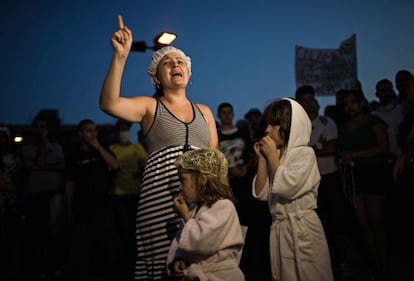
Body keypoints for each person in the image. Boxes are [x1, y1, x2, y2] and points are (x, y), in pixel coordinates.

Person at [99, 15, 218, 280]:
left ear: (188, 71)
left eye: (180, 61)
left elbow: (215, 163)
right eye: (167, 62)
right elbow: (109, 104)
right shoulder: (150, 106)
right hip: (159, 202)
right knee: (163, 265)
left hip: (202, 202)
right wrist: (120, 56)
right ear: (156, 78)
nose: (176, 64)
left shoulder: (206, 112)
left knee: (201, 265)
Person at [252, 98, 334, 281]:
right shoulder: (276, 156)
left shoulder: (305, 154)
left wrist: (272, 155)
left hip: (303, 228)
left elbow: (286, 187)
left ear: (290, 125)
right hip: (281, 229)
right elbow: (262, 193)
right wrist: (263, 160)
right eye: (267, 124)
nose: (267, 130)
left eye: (274, 124)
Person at [296, 93, 355, 279]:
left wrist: (310, 150)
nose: (308, 104)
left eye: (310, 100)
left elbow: (331, 148)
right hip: (307, 181)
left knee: (338, 221)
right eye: (303, 101)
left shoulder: (326, 122)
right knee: (315, 223)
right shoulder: (297, 127)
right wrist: (318, 148)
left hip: (329, 178)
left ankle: (343, 262)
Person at [166, 148, 245, 281]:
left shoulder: (224, 206)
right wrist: (179, 259)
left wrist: (186, 217)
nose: (180, 187)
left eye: (183, 180)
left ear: (202, 179)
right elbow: (182, 241)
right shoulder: (194, 209)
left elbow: (202, 242)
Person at [337, 89, 391, 279]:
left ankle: (385, 264)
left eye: (353, 102)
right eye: (345, 104)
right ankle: (375, 263)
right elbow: (340, 149)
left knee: (377, 221)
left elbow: (384, 147)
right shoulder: (343, 127)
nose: (349, 106)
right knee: (363, 222)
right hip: (353, 176)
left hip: (374, 172)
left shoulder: (373, 121)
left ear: (361, 103)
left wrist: (355, 155)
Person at [63, 119, 122, 281]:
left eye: (94, 130)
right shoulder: (74, 156)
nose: (93, 134)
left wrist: (98, 147)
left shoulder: (103, 150)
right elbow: (70, 183)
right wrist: (68, 208)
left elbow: (115, 166)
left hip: (104, 206)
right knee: (84, 248)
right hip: (82, 207)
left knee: (108, 245)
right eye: (89, 131)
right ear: (80, 134)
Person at [109, 119, 147, 280]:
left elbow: (145, 167)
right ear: (117, 130)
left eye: (127, 129)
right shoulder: (111, 149)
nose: (125, 132)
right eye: (122, 129)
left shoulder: (137, 148)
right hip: (118, 195)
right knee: (122, 232)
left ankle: (136, 263)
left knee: (136, 231)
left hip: (136, 194)